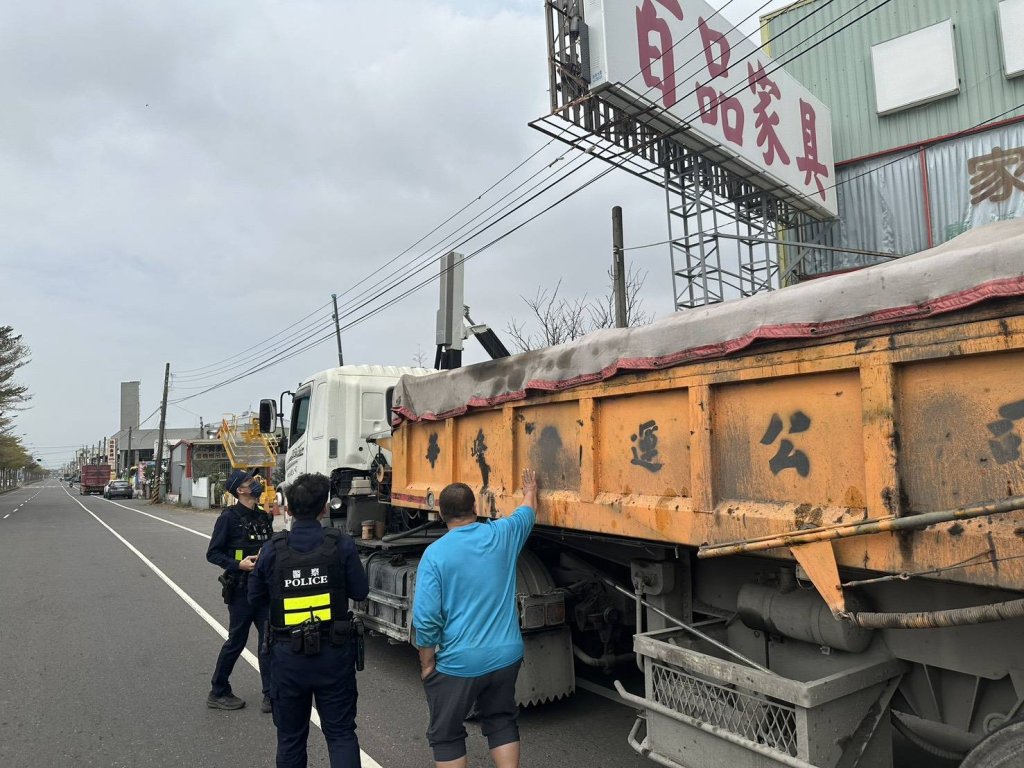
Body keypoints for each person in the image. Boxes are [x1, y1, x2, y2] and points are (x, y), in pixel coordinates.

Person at [413, 468, 538, 768]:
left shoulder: (435, 554)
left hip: (459, 663)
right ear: (476, 508)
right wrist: (530, 490)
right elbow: (527, 511)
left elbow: (427, 619)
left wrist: (427, 663)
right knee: (501, 719)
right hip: (507, 655)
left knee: (446, 733)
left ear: (441, 514)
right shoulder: (502, 534)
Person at [248, 472, 369, 768]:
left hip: (287, 657)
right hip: (334, 654)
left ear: (287, 509)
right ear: (324, 508)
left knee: (290, 738)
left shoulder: (273, 550)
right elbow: (359, 591)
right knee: (341, 734)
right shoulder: (340, 544)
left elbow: (255, 597)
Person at [206, 468, 274, 711]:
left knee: (268, 640)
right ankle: (218, 690)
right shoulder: (229, 518)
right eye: (249, 481)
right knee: (237, 641)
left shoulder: (263, 517)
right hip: (241, 590)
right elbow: (212, 553)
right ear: (240, 490)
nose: (255, 483)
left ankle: (270, 694)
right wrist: (238, 564)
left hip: (264, 589)